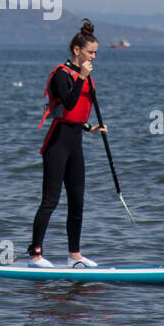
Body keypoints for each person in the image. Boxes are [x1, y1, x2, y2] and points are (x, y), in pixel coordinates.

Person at [27, 18, 107, 268]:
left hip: (76, 141)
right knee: (50, 200)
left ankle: (74, 255)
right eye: (90, 52)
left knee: (77, 200)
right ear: (77, 50)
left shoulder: (85, 74)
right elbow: (68, 104)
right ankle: (35, 255)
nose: (93, 57)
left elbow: (77, 114)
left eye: (95, 53)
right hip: (57, 143)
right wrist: (82, 77)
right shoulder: (60, 75)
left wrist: (89, 127)